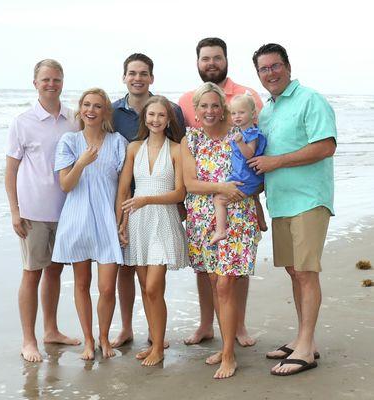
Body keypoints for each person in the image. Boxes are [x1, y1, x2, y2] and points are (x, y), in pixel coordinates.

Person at [249, 43, 337, 376]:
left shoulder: (309, 99)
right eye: (263, 69)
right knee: (292, 271)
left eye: (275, 66)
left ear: (287, 66)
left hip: (309, 199)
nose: (270, 73)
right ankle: (304, 339)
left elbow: (326, 146)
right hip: (281, 201)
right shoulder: (268, 110)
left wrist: (277, 161)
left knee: (305, 271)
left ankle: (306, 349)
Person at [178, 37, 262, 347]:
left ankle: (237, 327)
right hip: (203, 213)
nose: (211, 63)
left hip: (236, 209)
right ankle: (207, 325)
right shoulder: (188, 116)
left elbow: (257, 158)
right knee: (208, 274)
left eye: (216, 57)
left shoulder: (245, 105)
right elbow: (187, 178)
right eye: (205, 58)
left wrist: (253, 195)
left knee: (232, 274)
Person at [5, 59, 80, 363]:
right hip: (33, 212)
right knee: (31, 274)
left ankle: (51, 330)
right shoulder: (22, 122)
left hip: (66, 211)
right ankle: (28, 340)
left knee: (54, 272)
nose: (52, 84)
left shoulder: (73, 119)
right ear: (35, 83)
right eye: (46, 79)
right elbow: (10, 172)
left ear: (63, 82)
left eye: (57, 79)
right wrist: (14, 211)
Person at [111, 53, 186, 348]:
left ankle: (157, 344)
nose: (155, 119)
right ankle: (155, 340)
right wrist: (122, 221)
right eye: (151, 115)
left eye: (161, 115)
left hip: (163, 220)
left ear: (169, 119)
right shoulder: (133, 147)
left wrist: (145, 200)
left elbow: (180, 193)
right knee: (145, 285)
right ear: (145, 118)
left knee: (154, 285)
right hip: (137, 221)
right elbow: (123, 189)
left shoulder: (178, 149)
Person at [52, 88, 128, 360]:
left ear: (106, 111)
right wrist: (81, 163)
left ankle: (104, 337)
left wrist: (122, 221)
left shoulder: (118, 142)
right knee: (82, 283)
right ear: (80, 109)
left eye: (97, 106)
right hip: (78, 218)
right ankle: (88, 340)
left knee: (107, 287)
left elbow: (123, 188)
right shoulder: (69, 141)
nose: (91, 110)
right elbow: (65, 185)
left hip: (107, 219)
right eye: (86, 105)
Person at [210, 95, 267, 245]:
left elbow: (249, 154)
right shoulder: (241, 132)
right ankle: (262, 222)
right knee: (253, 198)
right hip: (245, 175)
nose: (237, 116)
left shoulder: (251, 134)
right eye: (234, 113)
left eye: (241, 112)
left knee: (218, 198)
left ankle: (221, 231)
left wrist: (240, 142)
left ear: (253, 114)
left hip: (246, 176)